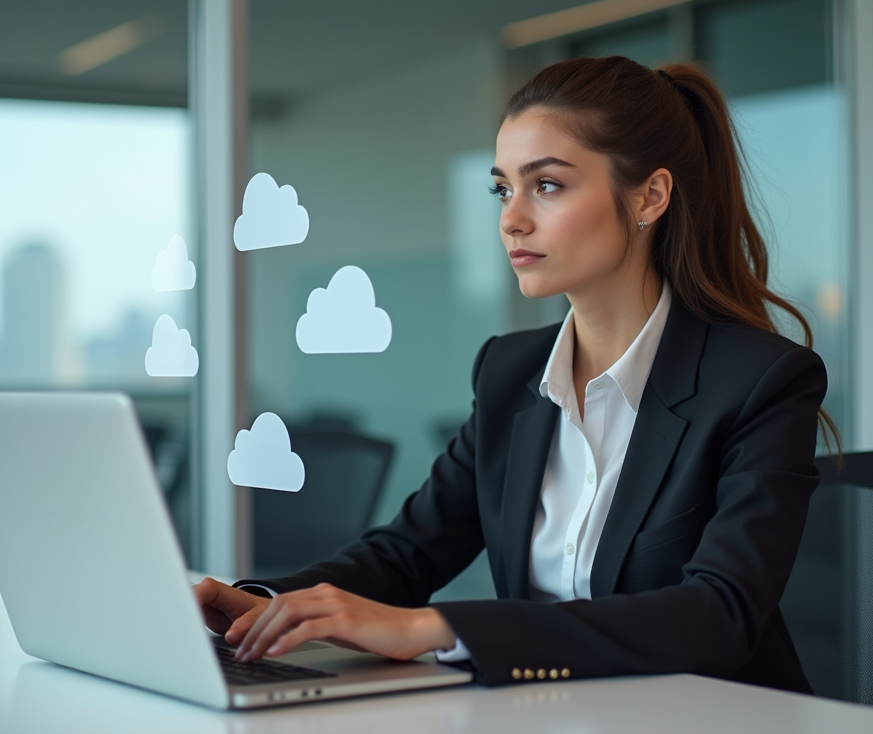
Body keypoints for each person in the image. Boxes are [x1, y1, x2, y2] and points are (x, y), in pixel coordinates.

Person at [194, 55, 839, 693]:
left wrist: (440, 629)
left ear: (650, 196)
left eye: (547, 185)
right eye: (502, 188)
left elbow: (720, 614)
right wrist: (260, 602)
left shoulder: (761, 381)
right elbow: (408, 552)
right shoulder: (509, 371)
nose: (511, 218)